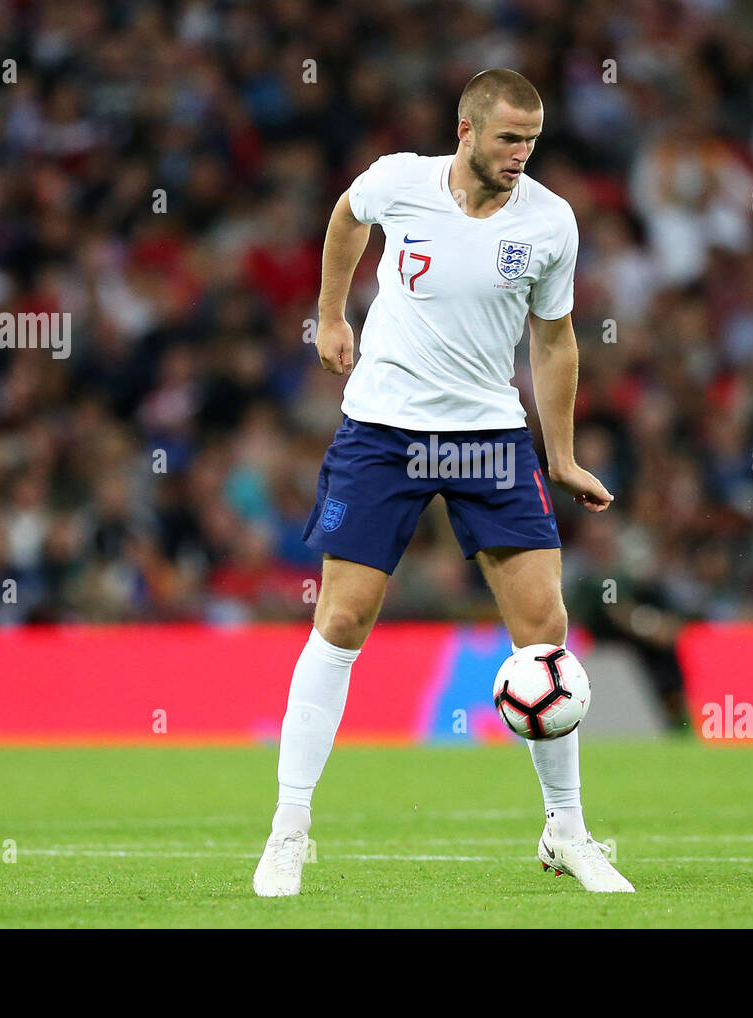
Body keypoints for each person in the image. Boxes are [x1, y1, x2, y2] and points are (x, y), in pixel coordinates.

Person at [252, 69, 634, 895]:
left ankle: (567, 828)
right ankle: (290, 828)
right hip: (384, 429)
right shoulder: (399, 180)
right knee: (343, 619)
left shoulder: (551, 222)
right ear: (466, 130)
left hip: (488, 436)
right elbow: (345, 218)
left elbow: (556, 340)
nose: (521, 155)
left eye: (532, 142)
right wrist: (330, 312)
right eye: (508, 139)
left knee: (544, 629)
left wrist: (559, 455)